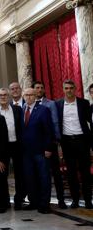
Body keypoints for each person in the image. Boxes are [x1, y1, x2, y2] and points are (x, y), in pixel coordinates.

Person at [55, 80, 92, 209]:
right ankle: (75, 200)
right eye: (66, 88)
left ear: (75, 89)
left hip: (82, 141)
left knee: (85, 172)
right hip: (67, 142)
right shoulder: (58, 104)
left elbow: (90, 122)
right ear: (63, 89)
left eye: (71, 88)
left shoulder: (84, 103)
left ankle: (88, 200)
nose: (69, 90)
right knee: (71, 173)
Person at [32, 80, 66, 209]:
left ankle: (61, 199)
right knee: (42, 174)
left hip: (51, 143)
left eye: (41, 87)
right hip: (37, 146)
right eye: (37, 87)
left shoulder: (51, 104)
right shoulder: (28, 104)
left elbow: (55, 123)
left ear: (44, 90)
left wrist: (57, 142)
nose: (39, 90)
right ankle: (42, 199)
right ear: (33, 90)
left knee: (56, 173)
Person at [20, 88, 53, 214]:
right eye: (26, 95)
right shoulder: (22, 109)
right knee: (30, 178)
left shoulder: (43, 110)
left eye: (30, 95)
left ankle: (44, 204)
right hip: (26, 152)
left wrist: (48, 148)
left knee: (44, 177)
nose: (28, 97)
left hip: (41, 150)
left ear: (35, 96)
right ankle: (33, 202)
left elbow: (48, 131)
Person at [0, 88, 25, 210]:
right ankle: (3, 202)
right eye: (0, 95)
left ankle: (18, 200)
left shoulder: (17, 109)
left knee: (20, 174)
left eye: (5, 95)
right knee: (1, 175)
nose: (3, 97)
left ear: (9, 96)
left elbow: (22, 128)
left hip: (16, 145)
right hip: (2, 148)